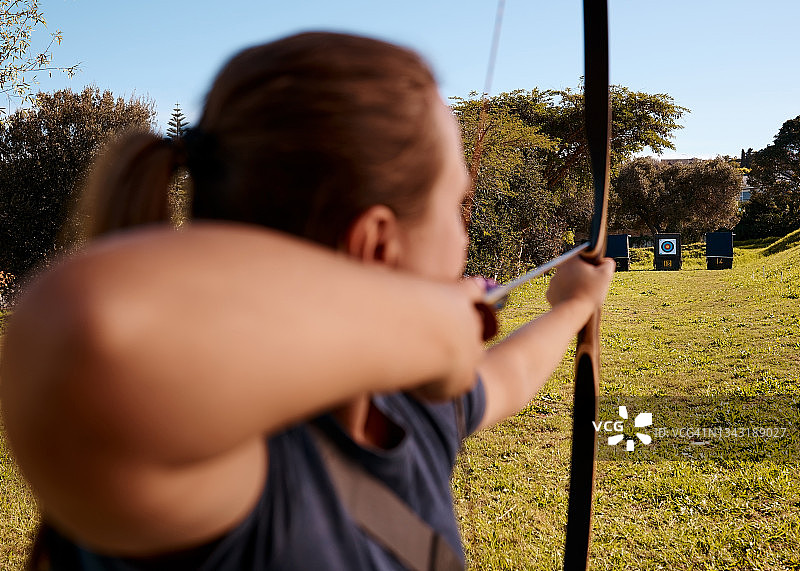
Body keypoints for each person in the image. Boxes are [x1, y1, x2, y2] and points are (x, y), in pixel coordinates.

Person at [0, 32, 614, 570]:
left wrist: (571, 308)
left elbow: (502, 377)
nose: (466, 232)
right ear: (375, 244)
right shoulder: (231, 474)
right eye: (458, 204)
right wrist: (431, 326)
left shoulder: (403, 404)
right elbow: (89, 334)